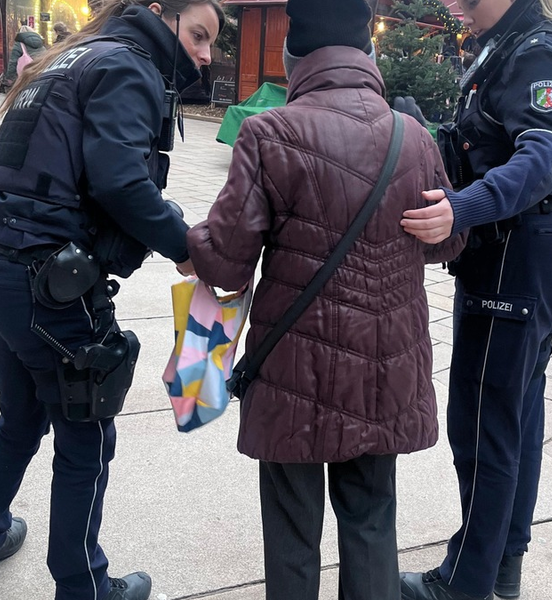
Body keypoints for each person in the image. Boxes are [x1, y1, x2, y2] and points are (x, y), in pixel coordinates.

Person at [186, 1, 465, 599]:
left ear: (293, 57)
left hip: (293, 368)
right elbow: (449, 241)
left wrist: (188, 238)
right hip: (386, 365)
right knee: (371, 520)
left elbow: (227, 262)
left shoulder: (269, 133)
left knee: (291, 528)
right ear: (369, 53)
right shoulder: (412, 135)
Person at [0, 1, 222, 599]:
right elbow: (120, 179)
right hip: (50, 284)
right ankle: (84, 587)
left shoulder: (63, 60)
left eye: (211, 44)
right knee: (87, 433)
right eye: (199, 35)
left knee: (21, 416)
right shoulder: (127, 67)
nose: (205, 55)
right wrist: (184, 245)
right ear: (159, 13)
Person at [398, 1, 552, 599]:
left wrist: (456, 211)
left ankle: (463, 582)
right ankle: (501, 566)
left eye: (464, 3)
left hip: (516, 250)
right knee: (516, 414)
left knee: (483, 421)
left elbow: (544, 156)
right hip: (538, 245)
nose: (456, 10)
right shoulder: (528, 42)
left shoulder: (536, 50)